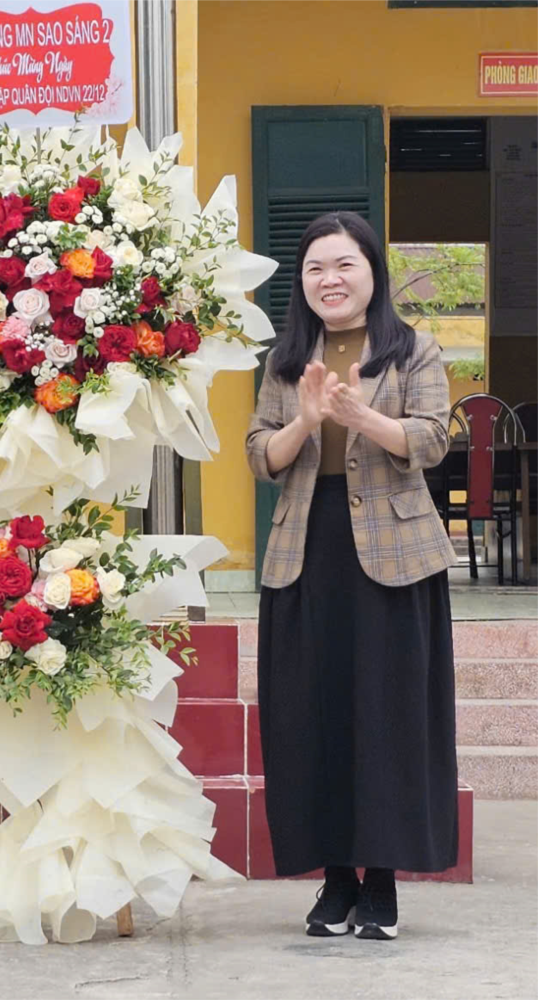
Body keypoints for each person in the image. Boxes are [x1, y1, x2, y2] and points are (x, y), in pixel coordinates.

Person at [246, 211, 458, 941]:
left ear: (373, 272)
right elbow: (260, 455)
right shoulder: (285, 360)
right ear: (301, 283)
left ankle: (382, 883)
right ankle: (335, 880)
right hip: (307, 551)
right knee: (313, 714)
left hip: (396, 557)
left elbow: (432, 439)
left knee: (388, 716)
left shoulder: (414, 349)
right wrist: (306, 421)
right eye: (315, 268)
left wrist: (362, 417)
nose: (329, 280)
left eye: (344, 265)